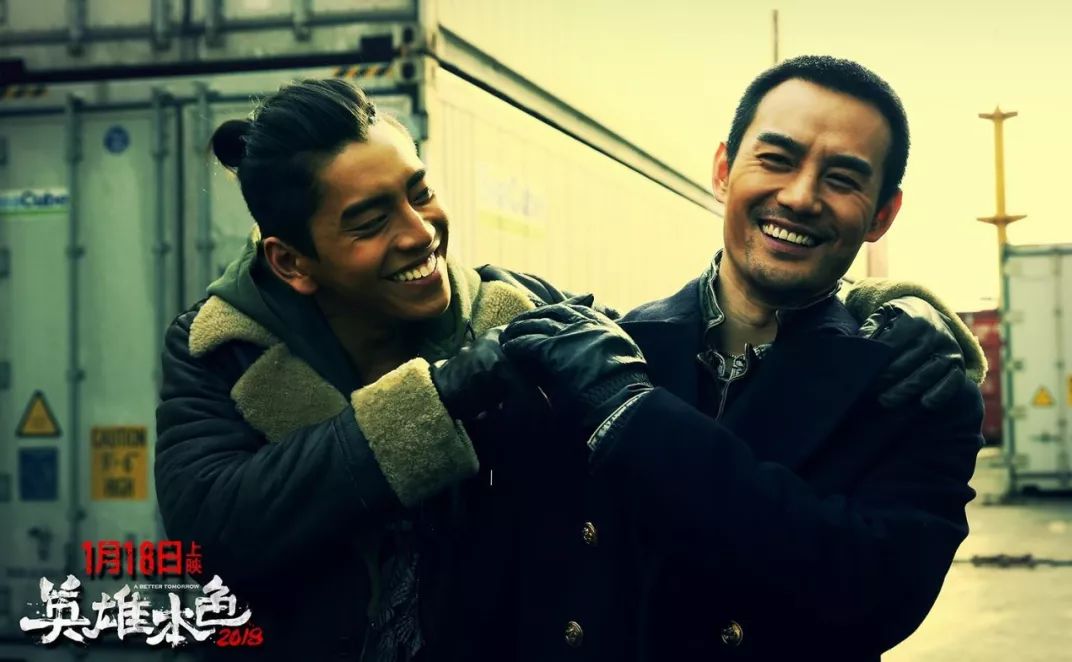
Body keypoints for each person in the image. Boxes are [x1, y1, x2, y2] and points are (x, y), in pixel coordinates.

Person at [155, 77, 977, 661]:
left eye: (420, 192)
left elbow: (869, 586)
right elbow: (216, 524)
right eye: (370, 219)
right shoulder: (224, 347)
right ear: (291, 262)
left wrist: (899, 307)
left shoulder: (520, 317)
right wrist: (442, 395)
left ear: (882, 212)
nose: (419, 232)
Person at [496, 55, 986, 661]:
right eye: (776, 160)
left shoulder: (921, 392)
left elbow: (869, 594)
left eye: (842, 178)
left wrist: (633, 415)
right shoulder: (606, 350)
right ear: (724, 171)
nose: (800, 197)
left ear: (882, 215)